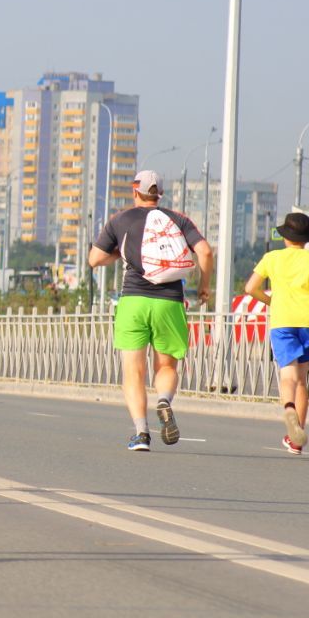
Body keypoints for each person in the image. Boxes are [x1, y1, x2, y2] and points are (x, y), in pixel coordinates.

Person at [89, 170, 213, 452]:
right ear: (160, 194)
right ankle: (164, 401)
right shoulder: (178, 219)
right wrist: (204, 287)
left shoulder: (120, 220)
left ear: (135, 192)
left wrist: (119, 251)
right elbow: (204, 252)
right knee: (166, 366)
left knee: (133, 371)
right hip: (170, 301)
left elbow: (94, 259)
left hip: (133, 300)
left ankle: (141, 433)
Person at [244, 212, 309, 455]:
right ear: (306, 239)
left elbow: (250, 287)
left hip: (283, 319)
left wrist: (269, 301)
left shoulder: (271, 258)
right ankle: (297, 440)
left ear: (285, 236)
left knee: (288, 375)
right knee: (302, 380)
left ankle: (288, 408)